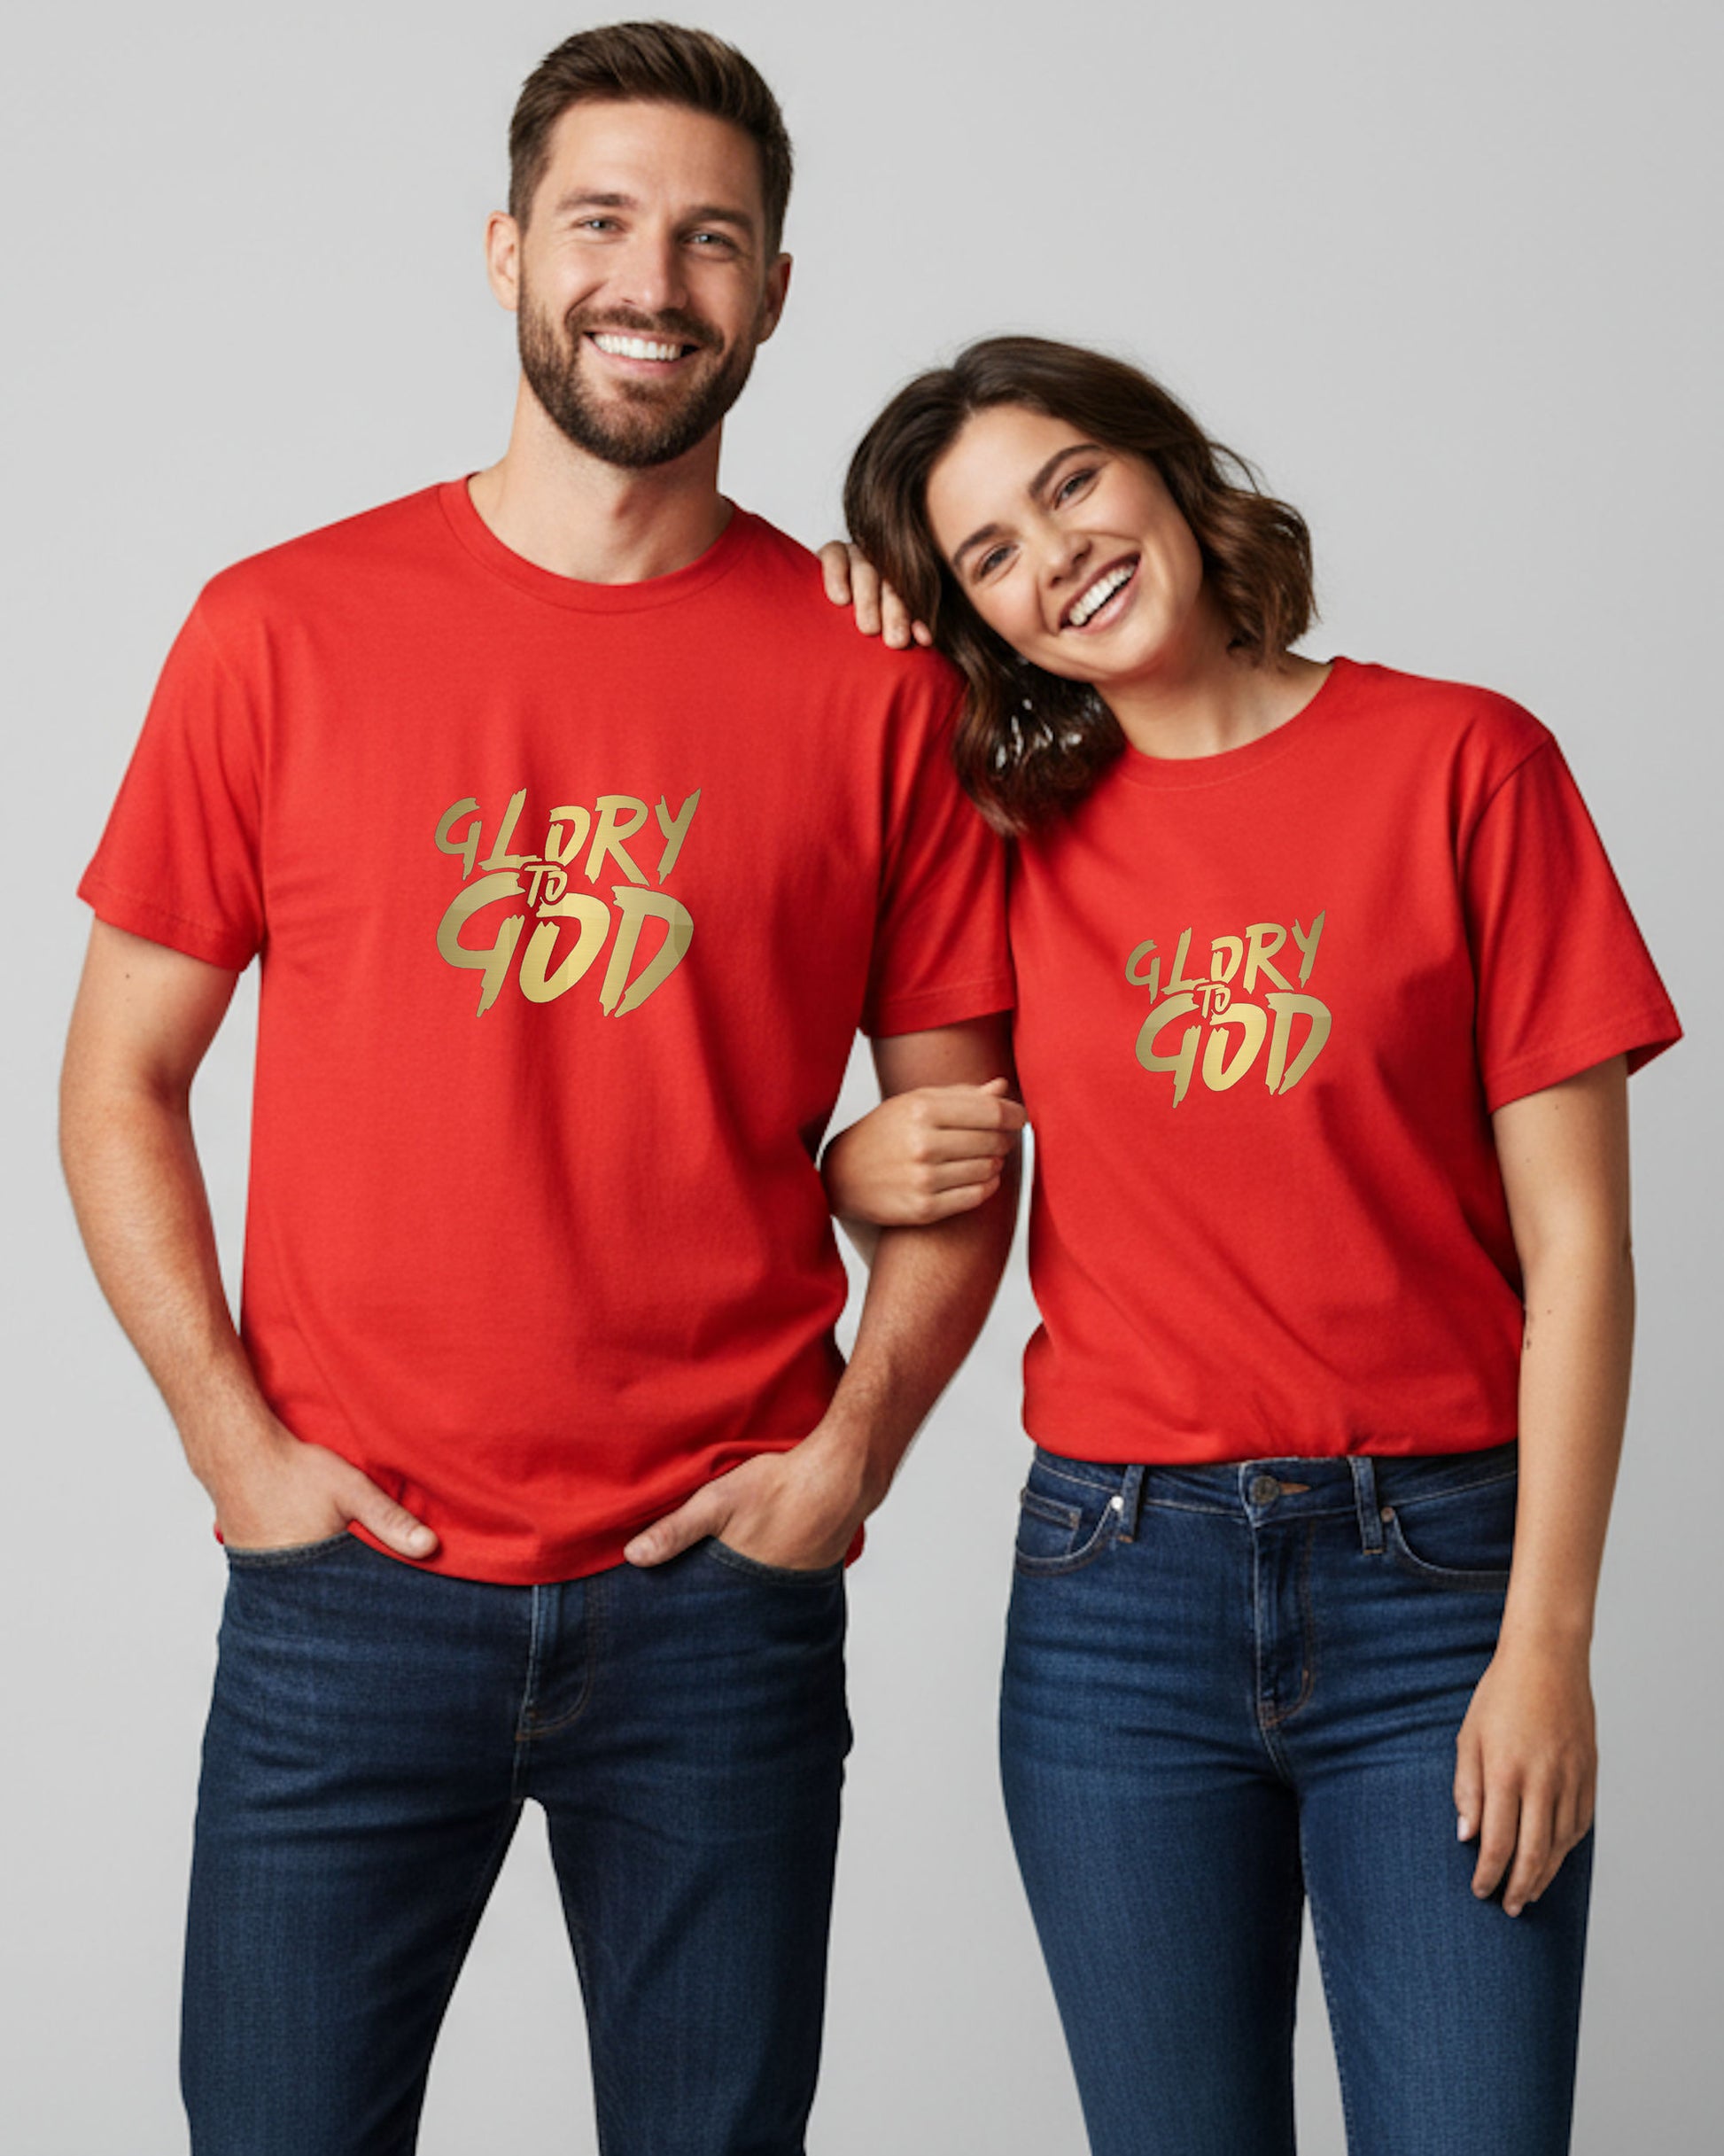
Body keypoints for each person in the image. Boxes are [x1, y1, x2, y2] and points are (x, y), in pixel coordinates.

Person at [58, 26, 1017, 2156]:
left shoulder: (876, 680)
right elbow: (119, 1073)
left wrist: (845, 1455)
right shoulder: (277, 632)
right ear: (506, 251)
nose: (649, 280)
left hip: (717, 1600)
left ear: (773, 290)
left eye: (709, 238)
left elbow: (965, 1149)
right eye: (599, 221)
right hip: (348, 1592)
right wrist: (235, 1441)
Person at [818, 334, 1681, 2154]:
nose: (1054, 554)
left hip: (1436, 1579)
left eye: (1067, 486)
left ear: (1161, 466)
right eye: (986, 553)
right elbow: (913, 1119)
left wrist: (1545, 1641)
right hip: (1117, 1593)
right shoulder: (1003, 835)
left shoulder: (1464, 761)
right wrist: (850, 1159)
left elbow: (1582, 1253)